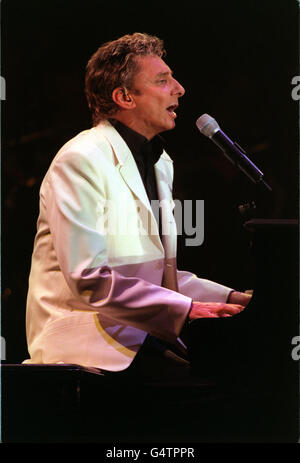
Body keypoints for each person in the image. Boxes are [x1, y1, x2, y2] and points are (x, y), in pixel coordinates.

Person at [24, 33, 251, 380]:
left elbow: (159, 279)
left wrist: (233, 297)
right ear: (125, 96)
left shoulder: (161, 162)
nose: (179, 88)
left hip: (138, 335)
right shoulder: (81, 159)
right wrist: (188, 309)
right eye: (163, 80)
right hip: (84, 339)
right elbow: (89, 279)